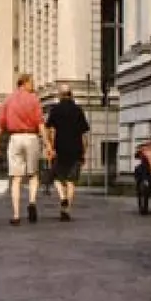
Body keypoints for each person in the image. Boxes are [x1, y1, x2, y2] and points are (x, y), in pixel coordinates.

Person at [0, 71, 45, 226]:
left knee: (16, 178)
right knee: (33, 175)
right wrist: (48, 143)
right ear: (24, 83)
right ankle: (31, 201)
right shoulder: (34, 99)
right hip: (31, 137)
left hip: (15, 138)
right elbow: (40, 124)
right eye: (32, 82)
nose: (34, 85)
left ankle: (16, 215)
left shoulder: (8, 100)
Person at [41, 84, 90, 221]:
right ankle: (67, 209)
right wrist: (84, 150)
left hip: (60, 148)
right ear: (71, 94)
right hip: (76, 149)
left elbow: (49, 129)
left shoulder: (55, 110)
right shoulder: (78, 110)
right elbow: (84, 133)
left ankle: (63, 198)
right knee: (71, 181)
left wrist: (50, 146)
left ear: (60, 95)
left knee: (57, 177)